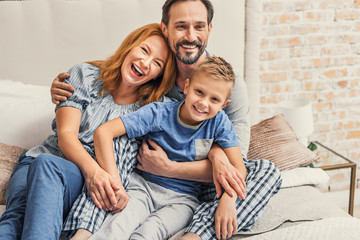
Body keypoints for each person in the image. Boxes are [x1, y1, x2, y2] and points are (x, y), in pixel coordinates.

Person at [51, 1, 282, 239]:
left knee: (267, 172)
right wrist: (69, 87)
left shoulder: (230, 85)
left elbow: (236, 167)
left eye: (199, 26)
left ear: (209, 29)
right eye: (181, 26)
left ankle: (196, 234)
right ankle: (86, 229)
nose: (191, 36)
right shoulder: (153, 76)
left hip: (202, 187)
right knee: (121, 143)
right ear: (165, 29)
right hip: (146, 176)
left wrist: (209, 158)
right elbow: (111, 86)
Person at [0, 23, 177, 240]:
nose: (145, 63)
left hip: (78, 182)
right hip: (41, 163)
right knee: (17, 214)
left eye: (157, 63)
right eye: (144, 50)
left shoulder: (152, 108)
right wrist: (94, 172)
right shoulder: (84, 75)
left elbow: (202, 110)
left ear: (161, 74)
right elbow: (66, 136)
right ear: (130, 46)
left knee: (47, 166)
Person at [72, 56, 246, 240]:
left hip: (183, 200)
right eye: (199, 92)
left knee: (148, 233)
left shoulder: (220, 123)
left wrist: (228, 199)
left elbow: (239, 167)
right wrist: (116, 184)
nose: (203, 103)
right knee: (117, 227)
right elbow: (104, 132)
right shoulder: (159, 113)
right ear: (187, 87)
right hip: (143, 187)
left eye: (214, 99)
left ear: (223, 105)